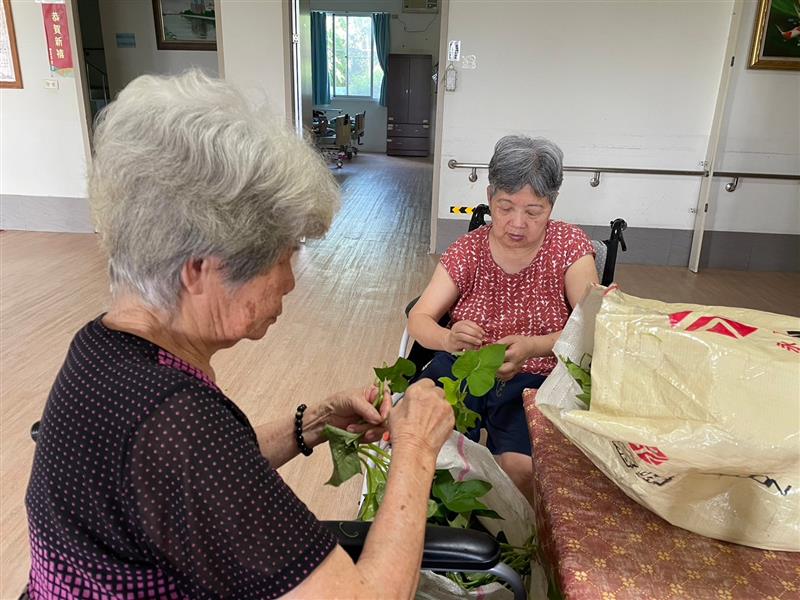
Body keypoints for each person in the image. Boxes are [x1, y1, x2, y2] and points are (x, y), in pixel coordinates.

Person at [24, 71, 454, 600]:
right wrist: (415, 450)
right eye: (281, 258)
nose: (291, 282)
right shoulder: (177, 425)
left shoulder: (102, 350)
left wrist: (311, 424)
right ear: (200, 269)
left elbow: (193, 482)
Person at [408, 135, 598, 501]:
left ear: (552, 204)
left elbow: (590, 327)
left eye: (533, 211)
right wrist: (447, 339)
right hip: (464, 367)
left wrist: (534, 347)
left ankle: (504, 543)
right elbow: (419, 318)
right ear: (490, 195)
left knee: (520, 470)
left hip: (536, 378)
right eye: (505, 206)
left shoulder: (570, 247)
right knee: (416, 440)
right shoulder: (469, 249)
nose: (517, 223)